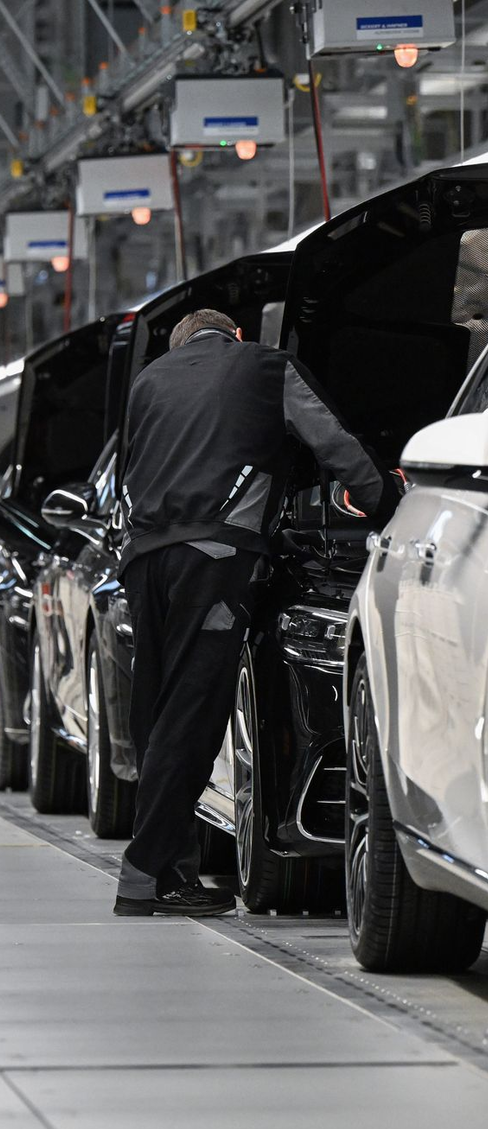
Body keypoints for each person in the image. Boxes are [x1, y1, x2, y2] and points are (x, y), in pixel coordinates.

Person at [112, 308, 397, 917]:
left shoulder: (149, 381)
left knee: (159, 713)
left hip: (144, 560)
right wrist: (385, 501)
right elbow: (335, 444)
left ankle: (168, 873)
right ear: (238, 334)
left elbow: (129, 470)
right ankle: (141, 875)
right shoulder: (267, 366)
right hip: (215, 557)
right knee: (194, 708)